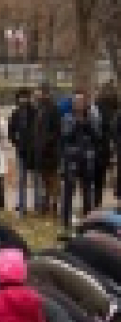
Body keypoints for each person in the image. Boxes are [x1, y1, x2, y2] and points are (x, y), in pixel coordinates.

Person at [60, 91, 99, 231]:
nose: (79, 104)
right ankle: (65, 221)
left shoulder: (92, 117)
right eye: (76, 102)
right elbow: (64, 137)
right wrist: (76, 124)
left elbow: (97, 137)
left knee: (87, 192)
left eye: (82, 101)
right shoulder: (67, 117)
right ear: (73, 103)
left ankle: (88, 222)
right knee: (68, 191)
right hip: (71, 159)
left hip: (87, 158)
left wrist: (87, 125)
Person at [31, 82, 62, 216]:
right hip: (40, 151)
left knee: (52, 179)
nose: (37, 94)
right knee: (44, 180)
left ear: (46, 93)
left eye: (40, 92)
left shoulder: (53, 109)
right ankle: (46, 204)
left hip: (50, 151)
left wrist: (47, 143)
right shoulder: (39, 108)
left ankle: (54, 205)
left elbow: (56, 131)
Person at [8, 88, 36, 215]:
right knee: (22, 179)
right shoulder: (15, 113)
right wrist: (16, 142)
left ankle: (37, 204)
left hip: (34, 150)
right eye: (21, 97)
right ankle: (22, 204)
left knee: (36, 178)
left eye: (25, 97)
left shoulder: (35, 112)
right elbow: (11, 131)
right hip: (21, 150)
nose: (23, 100)